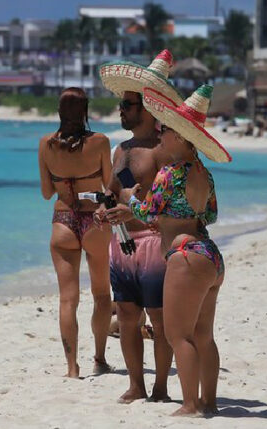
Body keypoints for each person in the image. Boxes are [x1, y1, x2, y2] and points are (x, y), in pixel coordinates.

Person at [118, 85, 231, 416]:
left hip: (184, 256)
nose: (160, 134)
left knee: (179, 335)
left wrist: (129, 198)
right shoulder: (204, 174)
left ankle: (190, 404)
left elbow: (148, 212)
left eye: (165, 130)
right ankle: (209, 402)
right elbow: (210, 215)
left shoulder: (170, 173)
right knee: (204, 336)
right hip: (210, 254)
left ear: (181, 138)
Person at [97, 50, 184, 403]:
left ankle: (161, 387)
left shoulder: (164, 150)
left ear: (148, 108)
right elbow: (115, 191)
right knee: (128, 316)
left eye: (129, 104)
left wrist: (129, 211)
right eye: (122, 104)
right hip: (121, 243)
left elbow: (167, 204)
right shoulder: (122, 149)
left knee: (160, 319)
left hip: (152, 242)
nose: (122, 110)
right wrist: (105, 205)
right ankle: (137, 384)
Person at [38, 87, 113, 378]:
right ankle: (100, 358)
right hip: (94, 220)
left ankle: (71, 368)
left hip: (63, 220)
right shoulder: (101, 142)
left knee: (68, 300)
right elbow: (108, 183)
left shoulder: (46, 144)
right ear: (85, 112)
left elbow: (46, 193)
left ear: (59, 111)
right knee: (102, 294)